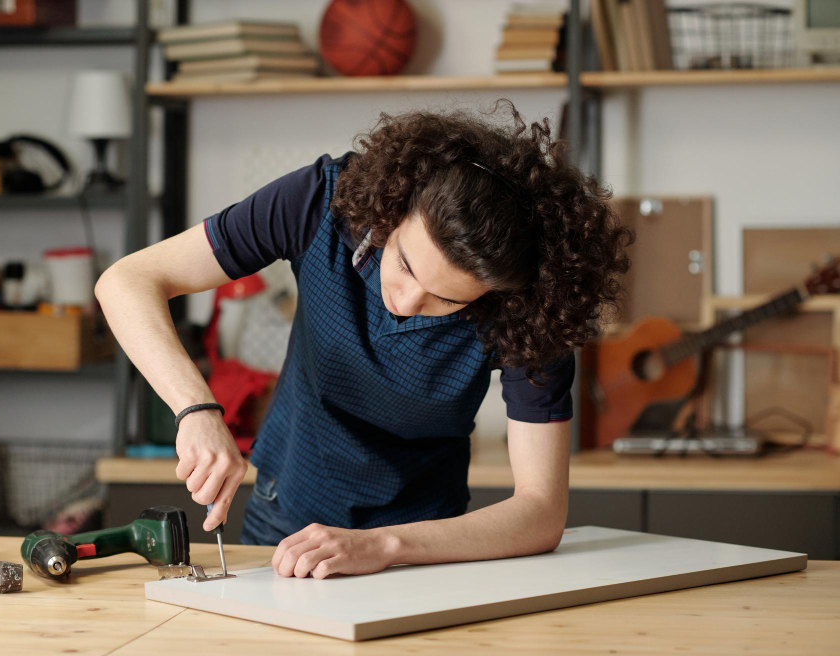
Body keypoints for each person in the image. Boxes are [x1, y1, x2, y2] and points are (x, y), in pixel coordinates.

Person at [95, 101, 631, 580]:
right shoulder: (322, 201)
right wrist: (196, 409)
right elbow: (126, 281)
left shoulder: (533, 309)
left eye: (446, 300)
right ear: (395, 210)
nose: (404, 300)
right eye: (403, 264)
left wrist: (384, 546)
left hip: (424, 548)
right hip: (283, 516)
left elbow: (541, 511)